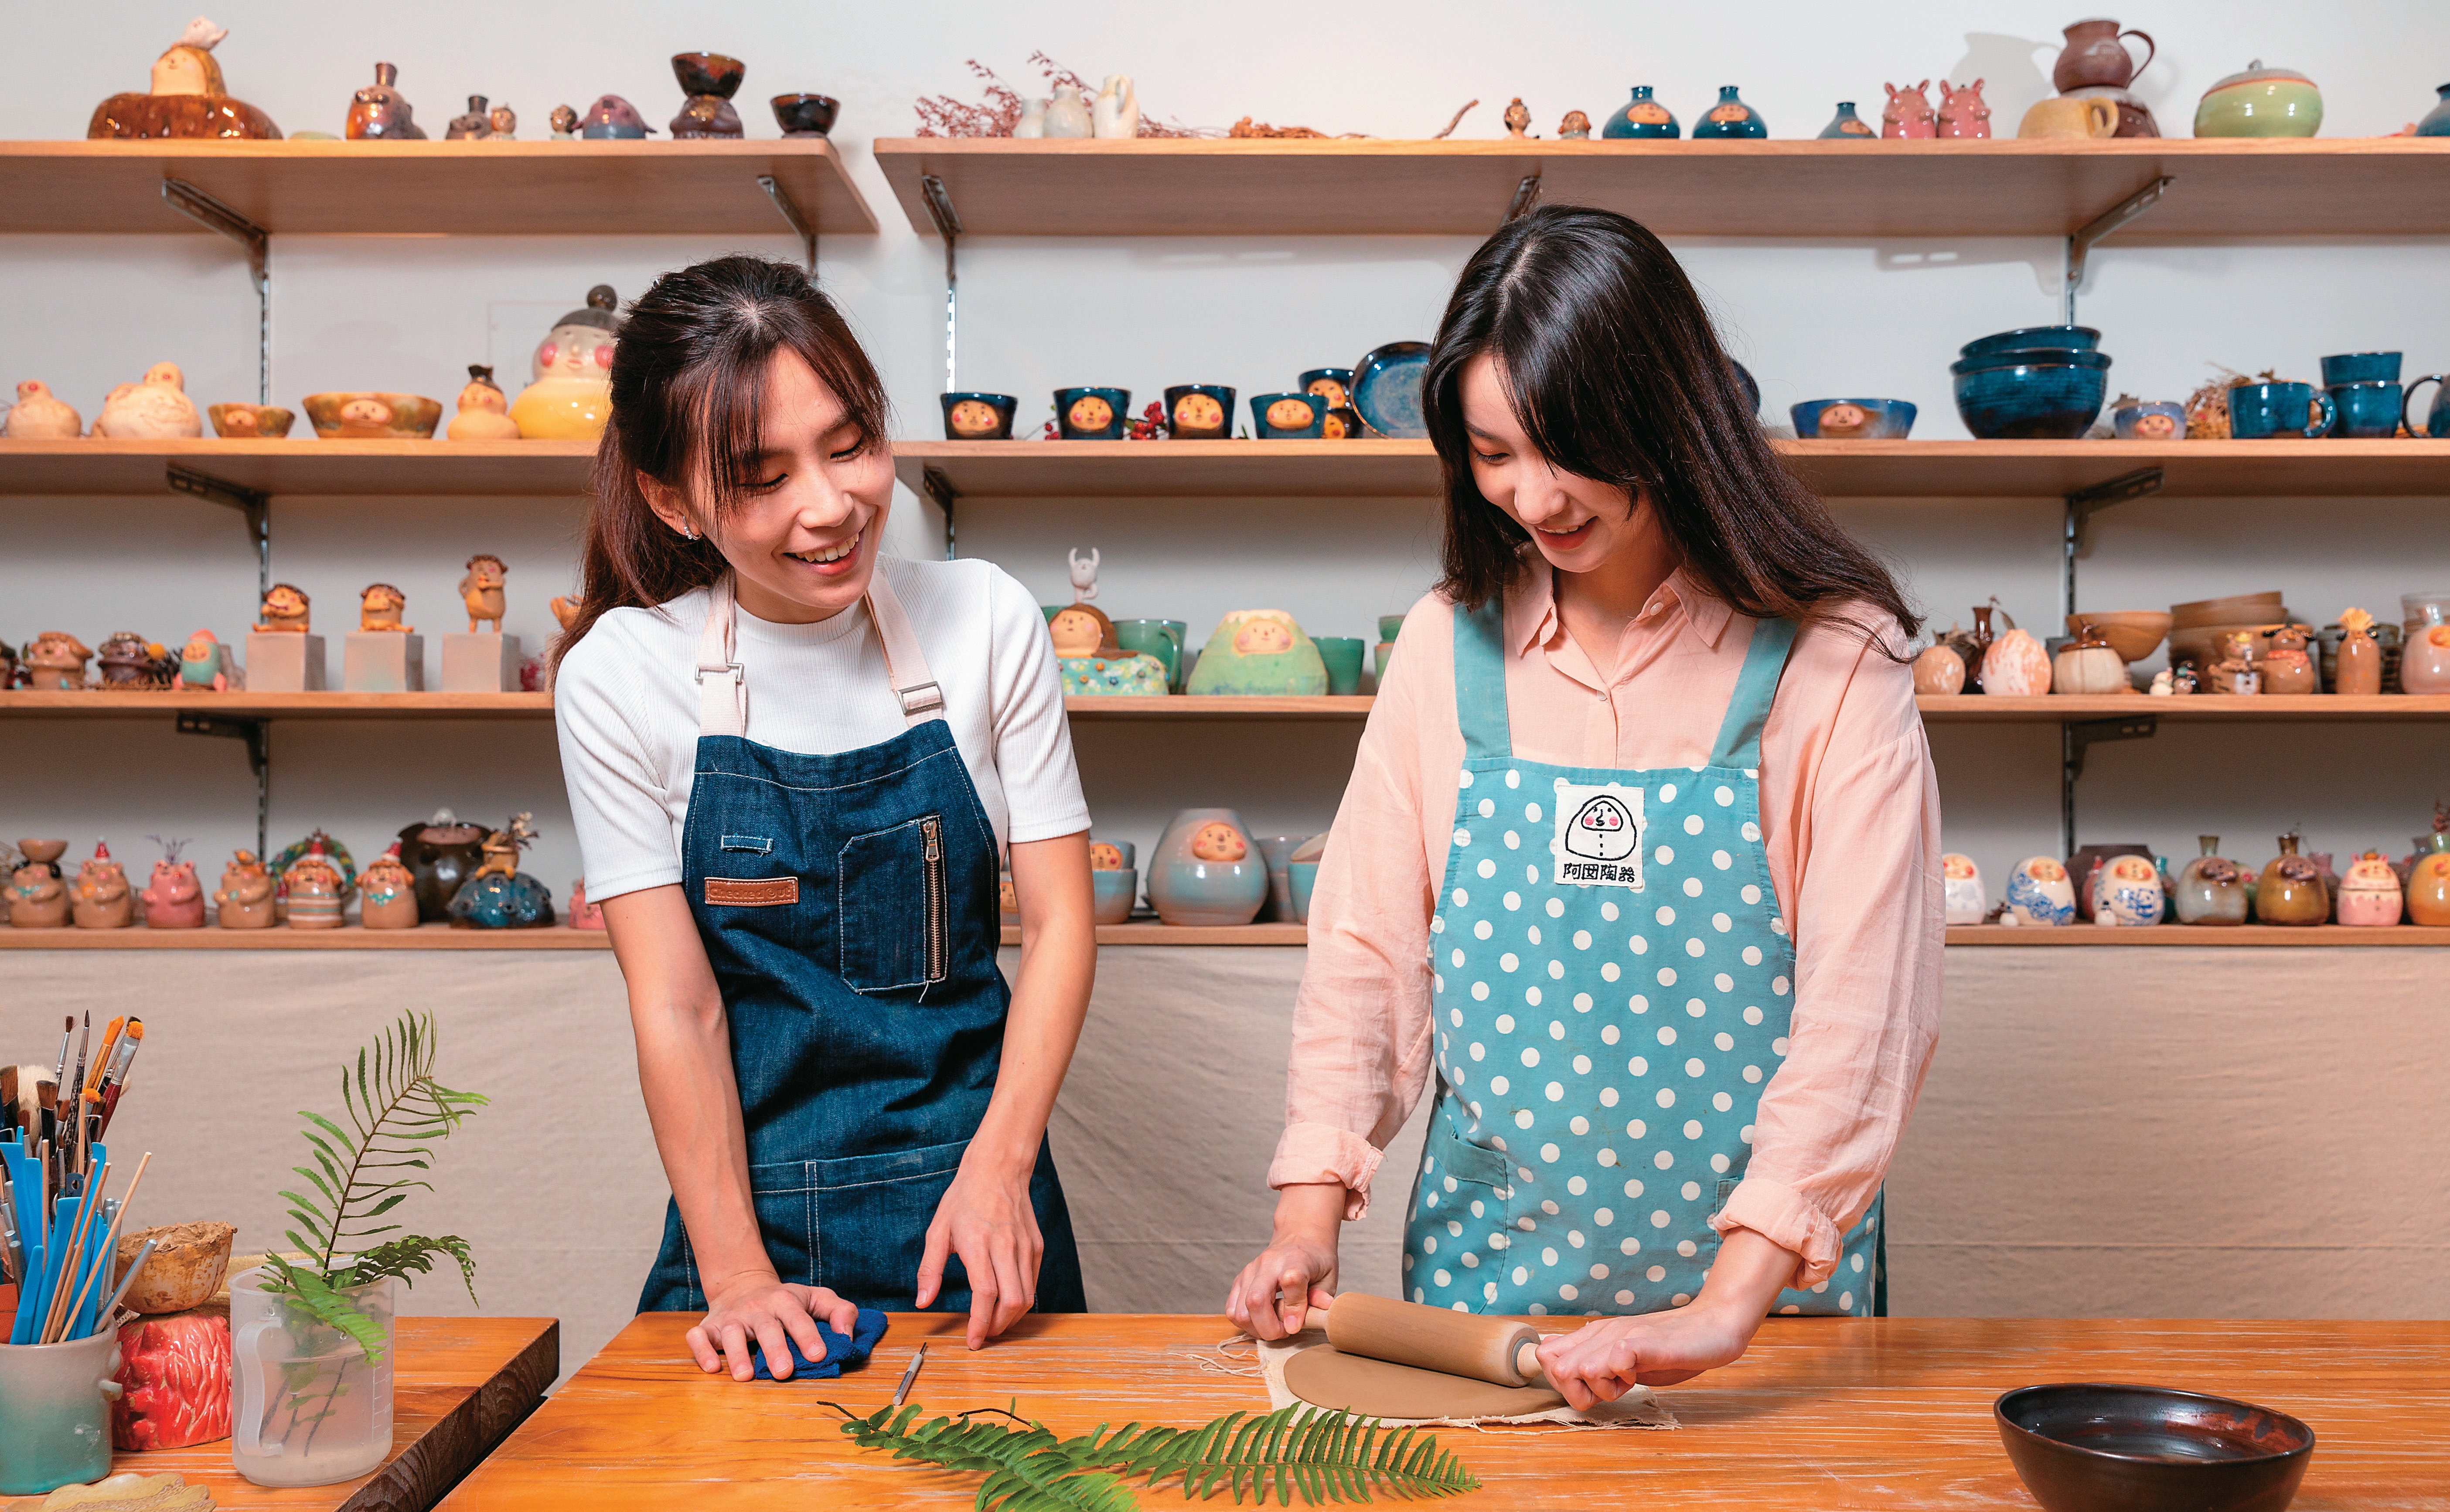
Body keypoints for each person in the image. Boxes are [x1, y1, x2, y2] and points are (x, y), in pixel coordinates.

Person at [1224, 207, 1942, 1409]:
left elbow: (1863, 1012)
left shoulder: (1832, 657)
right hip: (1486, 1315)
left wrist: (1722, 1308)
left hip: (1764, 1326)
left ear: (1665, 415)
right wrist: (1307, 1218)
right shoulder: (1442, 652)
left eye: (1568, 447)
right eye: (1493, 454)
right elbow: (1365, 960)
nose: (1533, 497)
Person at [553, 255, 1094, 1379]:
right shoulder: (620, 675)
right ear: (670, 499)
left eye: (849, 446)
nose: (829, 506)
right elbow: (678, 1006)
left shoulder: (986, 619)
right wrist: (738, 1276)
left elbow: (1061, 930)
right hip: (757, 1233)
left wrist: (1000, 1168)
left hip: (985, 1207)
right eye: (761, 478)